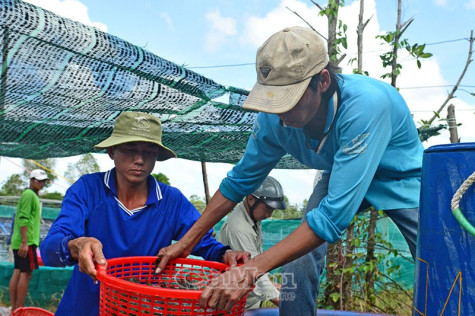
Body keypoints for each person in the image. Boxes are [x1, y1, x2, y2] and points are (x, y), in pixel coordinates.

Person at [156, 26, 424, 315]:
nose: (280, 114)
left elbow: (332, 219)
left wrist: (251, 270)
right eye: (272, 99)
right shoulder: (273, 120)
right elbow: (238, 182)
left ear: (322, 81)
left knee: (437, 257)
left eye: (290, 99)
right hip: (341, 171)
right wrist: (186, 243)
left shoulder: (365, 106)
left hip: (403, 179)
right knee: (301, 256)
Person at [40, 111, 249, 316]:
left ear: (156, 156)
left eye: (148, 151)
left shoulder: (171, 201)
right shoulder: (87, 189)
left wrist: (226, 254)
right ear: (112, 151)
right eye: (129, 149)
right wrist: (77, 246)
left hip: (141, 308)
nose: (139, 159)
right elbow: (51, 248)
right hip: (84, 307)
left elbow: (203, 243)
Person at [217, 176, 286, 310]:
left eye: (272, 210)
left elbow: (255, 263)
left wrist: (274, 285)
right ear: (250, 199)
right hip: (236, 306)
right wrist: (288, 306)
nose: (269, 215)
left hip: (246, 302)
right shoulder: (239, 229)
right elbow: (254, 271)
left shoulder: (252, 218)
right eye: (267, 209)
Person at [9, 169, 49, 312]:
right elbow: (23, 218)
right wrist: (25, 242)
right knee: (26, 274)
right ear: (32, 180)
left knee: (19, 271)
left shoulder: (29, 195)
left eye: (44, 181)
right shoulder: (29, 195)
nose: (42, 183)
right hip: (26, 242)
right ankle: (18, 309)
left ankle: (14, 309)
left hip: (20, 241)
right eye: (39, 180)